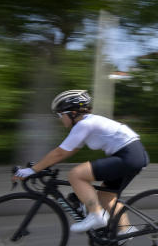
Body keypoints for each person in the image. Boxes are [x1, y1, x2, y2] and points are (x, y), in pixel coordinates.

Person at [13, 90, 149, 233]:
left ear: (72, 113)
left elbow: (60, 153)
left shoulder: (84, 124)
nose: (60, 119)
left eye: (60, 114)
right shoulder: (88, 123)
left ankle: (96, 215)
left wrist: (32, 170)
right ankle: (126, 231)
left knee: (76, 175)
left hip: (128, 156)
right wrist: (41, 166)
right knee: (106, 197)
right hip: (134, 155)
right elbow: (69, 151)